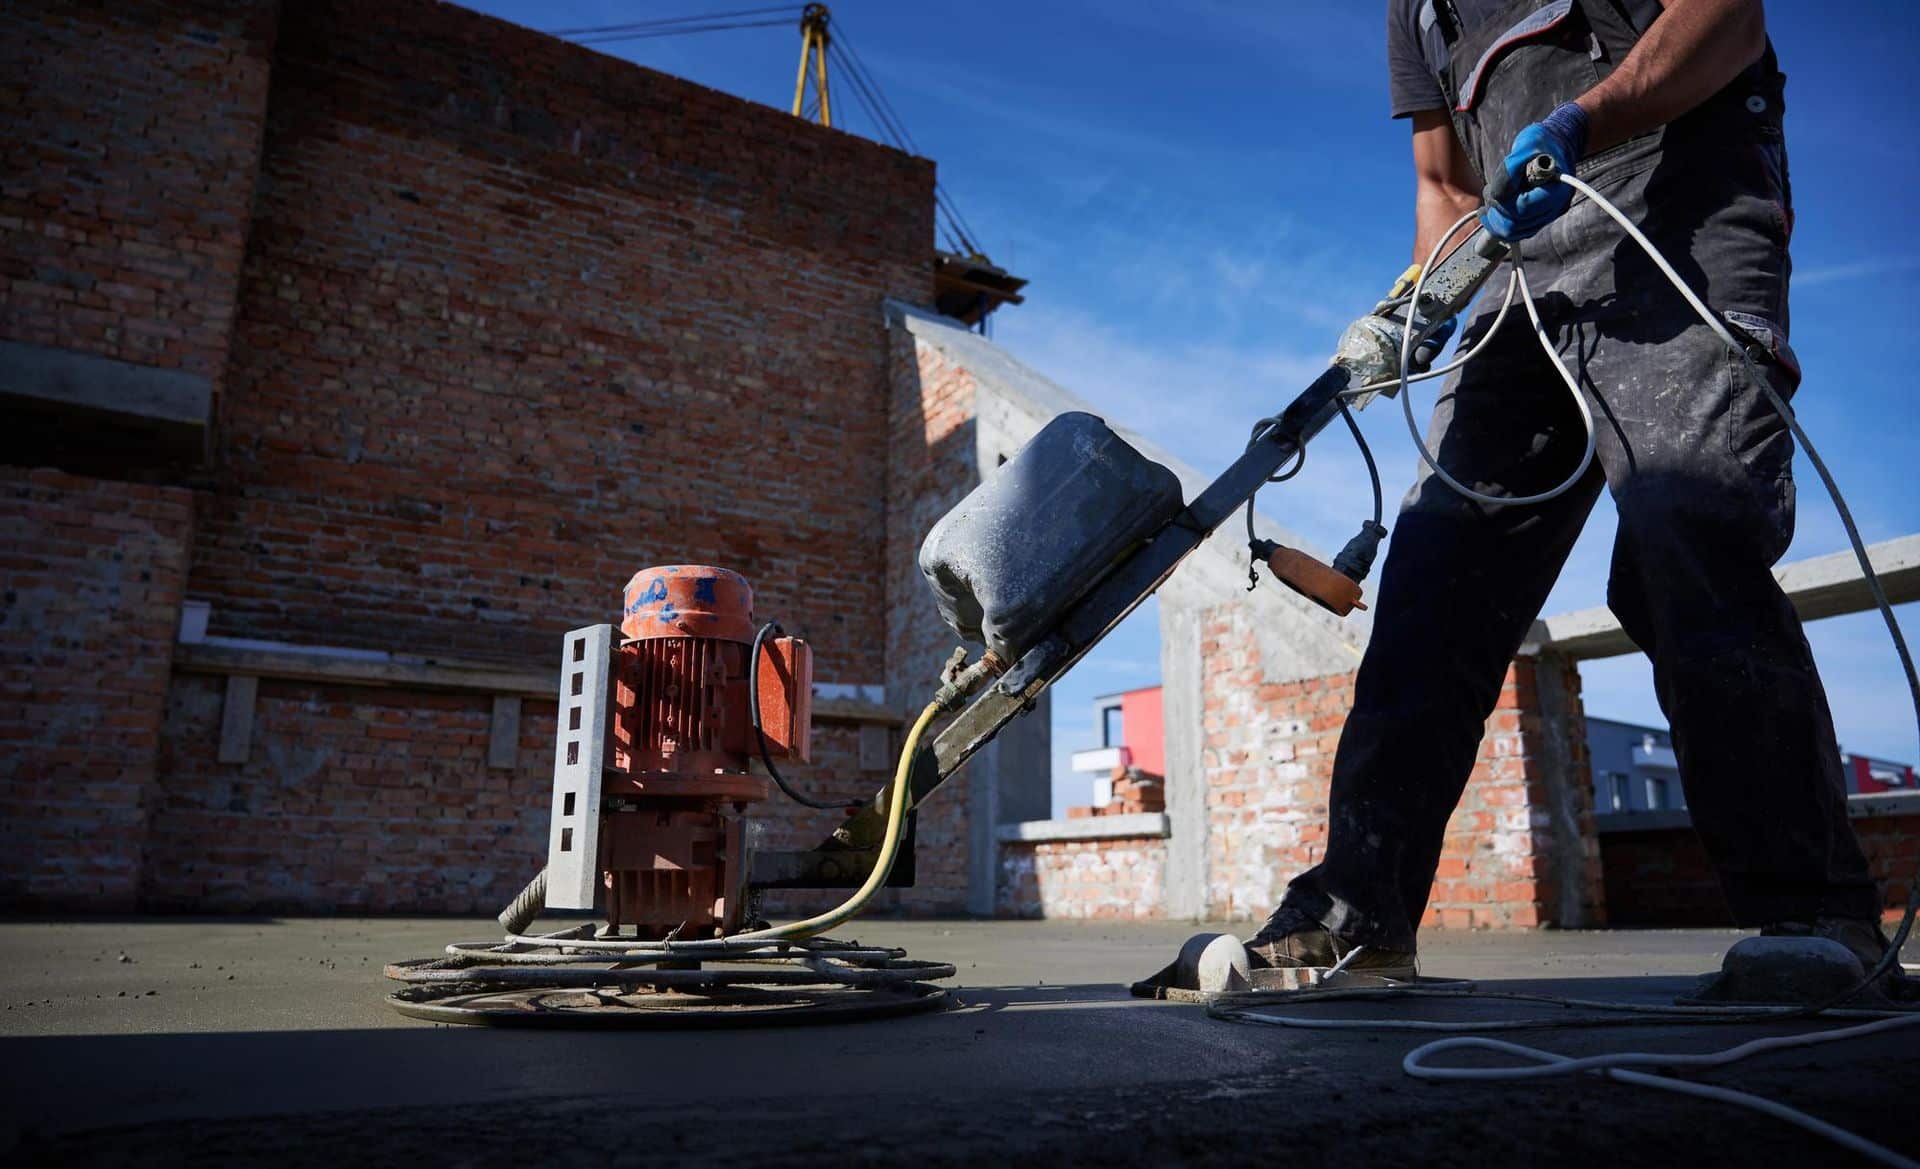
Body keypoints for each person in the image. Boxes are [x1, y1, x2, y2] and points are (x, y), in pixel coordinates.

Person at [1246, 0, 1893, 979]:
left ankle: (1814, 915)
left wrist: (1586, 121)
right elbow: (1442, 179)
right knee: (1434, 578)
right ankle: (1359, 912)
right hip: (1520, 270)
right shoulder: (1416, 11)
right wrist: (1421, 301)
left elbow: (1729, 18)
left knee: (1687, 527)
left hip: (1680, 199)